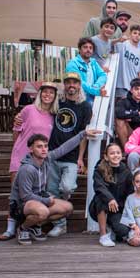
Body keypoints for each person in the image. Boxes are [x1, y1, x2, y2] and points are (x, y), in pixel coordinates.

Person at [10, 130, 100, 245]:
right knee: (43, 212)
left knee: (67, 208)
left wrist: (83, 134)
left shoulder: (46, 159)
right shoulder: (27, 169)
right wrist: (46, 201)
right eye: (39, 147)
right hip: (20, 206)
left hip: (37, 201)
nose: (44, 149)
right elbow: (25, 196)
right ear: (31, 149)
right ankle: (23, 228)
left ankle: (34, 225)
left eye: (45, 146)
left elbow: (64, 148)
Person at [45, 73, 92, 238]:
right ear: (64, 85)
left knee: (67, 187)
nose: (71, 85)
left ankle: (62, 207)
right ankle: (60, 224)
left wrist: (80, 158)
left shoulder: (85, 106)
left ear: (79, 85)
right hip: (52, 155)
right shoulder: (58, 102)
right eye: (68, 82)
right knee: (51, 190)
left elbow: (83, 134)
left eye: (75, 82)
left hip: (71, 156)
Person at [8, 82, 59, 181]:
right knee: (17, 188)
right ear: (40, 93)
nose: (47, 94)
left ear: (55, 96)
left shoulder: (54, 115)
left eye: (51, 92)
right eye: (45, 91)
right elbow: (16, 131)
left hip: (39, 160)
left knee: (34, 189)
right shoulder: (29, 109)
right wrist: (17, 149)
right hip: (22, 156)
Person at [88, 143, 134, 247]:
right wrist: (110, 199)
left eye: (118, 153)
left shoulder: (126, 172)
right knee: (100, 198)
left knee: (123, 230)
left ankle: (111, 228)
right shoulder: (99, 170)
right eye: (112, 153)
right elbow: (99, 187)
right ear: (106, 156)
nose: (115, 155)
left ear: (121, 155)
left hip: (117, 208)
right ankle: (103, 235)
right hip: (100, 207)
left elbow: (130, 192)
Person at [66, 37, 107, 104]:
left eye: (90, 48)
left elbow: (103, 75)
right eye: (85, 47)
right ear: (79, 49)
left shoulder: (93, 62)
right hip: (78, 97)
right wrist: (95, 91)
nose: (88, 50)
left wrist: (96, 86)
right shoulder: (73, 63)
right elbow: (78, 82)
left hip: (92, 95)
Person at [114, 78, 140, 147]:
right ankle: (126, 149)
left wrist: (131, 117)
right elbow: (119, 113)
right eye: (136, 89)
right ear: (131, 90)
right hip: (129, 131)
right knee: (120, 120)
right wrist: (137, 113)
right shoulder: (123, 102)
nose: (139, 92)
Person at [115, 24, 140, 99]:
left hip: (132, 86)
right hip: (121, 84)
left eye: (139, 34)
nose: (137, 35)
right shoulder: (123, 44)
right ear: (130, 33)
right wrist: (119, 40)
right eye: (135, 33)